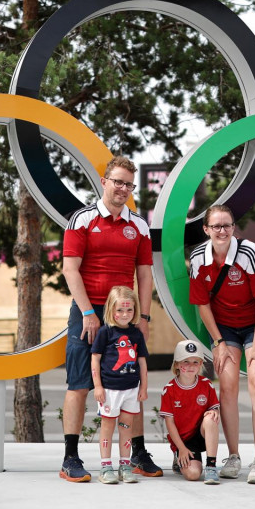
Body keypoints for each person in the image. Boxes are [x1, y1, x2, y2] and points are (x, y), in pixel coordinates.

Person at [60, 156, 159, 482]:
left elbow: (144, 275)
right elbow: (70, 269)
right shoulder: (82, 219)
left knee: (131, 384)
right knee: (79, 383)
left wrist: (143, 316)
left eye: (129, 184)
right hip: (88, 311)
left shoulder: (139, 225)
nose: (123, 189)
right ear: (104, 181)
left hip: (125, 315)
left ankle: (139, 454)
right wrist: (88, 313)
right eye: (118, 181)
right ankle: (70, 459)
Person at [189, 204, 255, 484]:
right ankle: (234, 456)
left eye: (227, 225)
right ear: (206, 229)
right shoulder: (198, 258)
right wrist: (218, 342)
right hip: (223, 327)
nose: (222, 231)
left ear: (234, 227)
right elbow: (202, 305)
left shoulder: (250, 252)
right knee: (226, 383)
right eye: (216, 226)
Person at [91, 286, 149, 484]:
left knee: (126, 427)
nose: (125, 314)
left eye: (129, 310)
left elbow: (142, 362)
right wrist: (98, 386)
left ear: (135, 310)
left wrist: (143, 387)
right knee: (107, 426)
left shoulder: (136, 334)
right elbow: (95, 360)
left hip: (131, 390)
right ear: (111, 309)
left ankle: (125, 465)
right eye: (120, 310)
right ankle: (106, 466)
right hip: (109, 390)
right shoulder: (104, 332)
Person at [160, 339, 221, 484]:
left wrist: (215, 412)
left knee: (210, 419)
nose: (191, 366)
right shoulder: (169, 390)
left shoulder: (206, 384)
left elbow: (214, 406)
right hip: (184, 441)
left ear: (201, 364)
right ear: (177, 364)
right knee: (193, 475)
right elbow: (170, 424)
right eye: (185, 361)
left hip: (200, 434)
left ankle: (211, 466)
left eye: (195, 362)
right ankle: (179, 458)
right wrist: (181, 448)